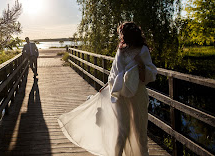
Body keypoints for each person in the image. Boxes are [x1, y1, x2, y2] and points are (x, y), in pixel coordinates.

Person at [57, 22, 157, 156]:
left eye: (121, 33)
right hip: (121, 95)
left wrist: (139, 64)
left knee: (139, 131)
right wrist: (106, 86)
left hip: (138, 95)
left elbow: (148, 77)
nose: (120, 36)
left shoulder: (143, 50)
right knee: (121, 131)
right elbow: (114, 72)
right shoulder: (121, 50)